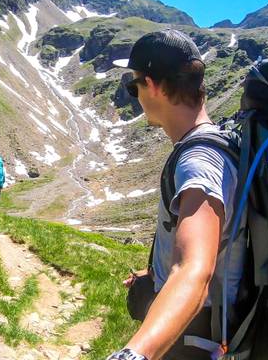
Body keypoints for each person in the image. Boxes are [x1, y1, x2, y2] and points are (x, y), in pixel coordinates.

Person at [106, 30, 245, 360]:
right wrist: (156, 272)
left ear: (152, 85)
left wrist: (135, 354)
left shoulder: (200, 162)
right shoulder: (217, 146)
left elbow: (194, 271)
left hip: (195, 340)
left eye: (134, 85)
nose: (135, 95)